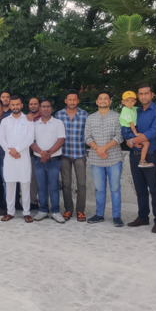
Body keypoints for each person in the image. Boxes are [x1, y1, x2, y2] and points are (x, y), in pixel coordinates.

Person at [123, 83, 156, 233]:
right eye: (141, 94)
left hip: (151, 155)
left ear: (152, 95)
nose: (143, 96)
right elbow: (127, 127)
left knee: (154, 188)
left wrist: (132, 141)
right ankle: (143, 216)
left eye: (146, 93)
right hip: (135, 155)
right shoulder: (134, 111)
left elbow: (153, 132)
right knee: (140, 188)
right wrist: (129, 139)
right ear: (138, 96)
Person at [84, 92, 125, 227]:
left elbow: (120, 136)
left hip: (114, 158)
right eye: (100, 99)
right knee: (99, 189)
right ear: (96, 102)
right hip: (96, 159)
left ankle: (116, 216)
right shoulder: (91, 118)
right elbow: (87, 137)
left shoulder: (117, 117)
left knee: (115, 189)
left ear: (110, 101)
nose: (103, 101)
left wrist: (104, 148)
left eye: (105, 99)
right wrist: (98, 149)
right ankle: (99, 214)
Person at [0, 96, 35, 223]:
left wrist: (17, 150)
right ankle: (10, 211)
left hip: (23, 157)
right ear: (9, 106)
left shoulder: (28, 120)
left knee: (25, 184)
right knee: (9, 184)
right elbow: (1, 139)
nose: (15, 107)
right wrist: (11, 151)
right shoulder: (5, 121)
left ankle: (26, 212)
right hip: (9, 158)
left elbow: (30, 139)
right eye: (13, 104)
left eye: (17, 104)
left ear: (21, 105)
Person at [56, 89, 89, 222]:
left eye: (74, 99)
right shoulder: (59, 115)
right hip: (64, 153)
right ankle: (68, 209)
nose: (72, 102)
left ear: (78, 101)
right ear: (66, 101)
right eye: (70, 99)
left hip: (80, 153)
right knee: (66, 183)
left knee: (81, 184)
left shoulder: (84, 115)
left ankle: (80, 210)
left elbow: (88, 134)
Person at [30, 99, 66, 224]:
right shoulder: (34, 124)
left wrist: (48, 154)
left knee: (54, 187)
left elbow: (61, 140)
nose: (45, 108)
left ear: (51, 108)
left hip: (54, 160)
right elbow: (31, 141)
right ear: (40, 109)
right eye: (43, 106)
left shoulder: (58, 123)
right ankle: (43, 210)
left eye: (48, 106)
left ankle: (55, 211)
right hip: (38, 160)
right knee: (41, 187)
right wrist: (41, 153)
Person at [120, 91, 153, 168]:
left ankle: (134, 144)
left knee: (142, 143)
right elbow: (131, 122)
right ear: (123, 102)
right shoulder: (125, 110)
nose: (130, 103)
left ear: (135, 102)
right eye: (127, 101)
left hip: (131, 129)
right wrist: (135, 133)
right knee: (146, 143)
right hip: (127, 130)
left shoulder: (134, 108)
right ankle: (142, 161)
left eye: (132, 101)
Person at [26, 96, 41, 209]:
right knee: (32, 179)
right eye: (31, 104)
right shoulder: (25, 118)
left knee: (44, 180)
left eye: (35, 103)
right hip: (30, 153)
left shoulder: (45, 116)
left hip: (43, 153)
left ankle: (44, 203)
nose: (33, 106)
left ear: (39, 105)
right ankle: (33, 202)